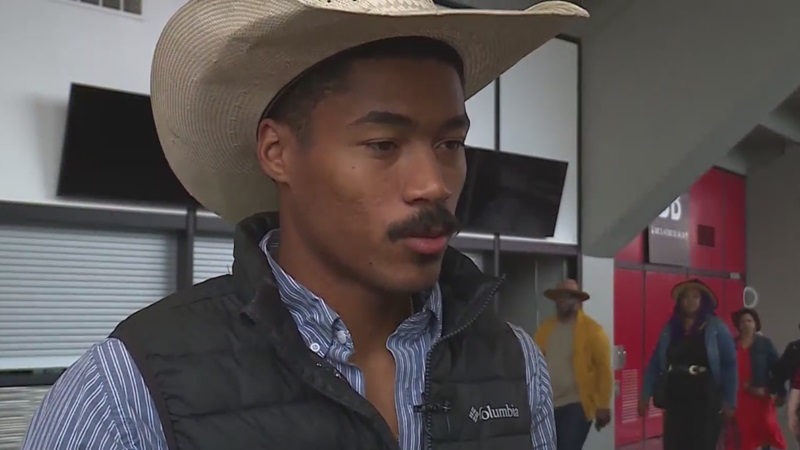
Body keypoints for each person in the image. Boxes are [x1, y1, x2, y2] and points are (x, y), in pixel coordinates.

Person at [21, 1, 589, 449]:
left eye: (450, 143)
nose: (434, 183)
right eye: (383, 144)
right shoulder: (128, 392)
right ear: (277, 152)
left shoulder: (515, 365)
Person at [638, 278, 737, 450]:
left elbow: (730, 365)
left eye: (695, 297)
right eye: (686, 297)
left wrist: (730, 400)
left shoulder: (716, 327)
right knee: (674, 443)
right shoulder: (670, 329)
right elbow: (655, 362)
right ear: (679, 302)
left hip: (705, 395)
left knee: (702, 443)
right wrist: (645, 393)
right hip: (676, 393)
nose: (690, 301)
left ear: (702, 301)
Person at [534, 279, 613, 450]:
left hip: (577, 402)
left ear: (577, 301)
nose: (563, 301)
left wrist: (603, 405)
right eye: (560, 297)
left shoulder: (593, 331)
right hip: (548, 403)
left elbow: (604, 369)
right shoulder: (545, 329)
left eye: (568, 297)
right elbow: (535, 361)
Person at [729, 308, 785, 450]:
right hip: (738, 398)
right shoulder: (731, 344)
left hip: (759, 396)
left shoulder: (765, 344)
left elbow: (778, 369)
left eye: (750, 321)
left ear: (755, 324)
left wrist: (777, 391)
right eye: (743, 321)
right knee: (744, 435)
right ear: (738, 325)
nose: (746, 324)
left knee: (768, 429)